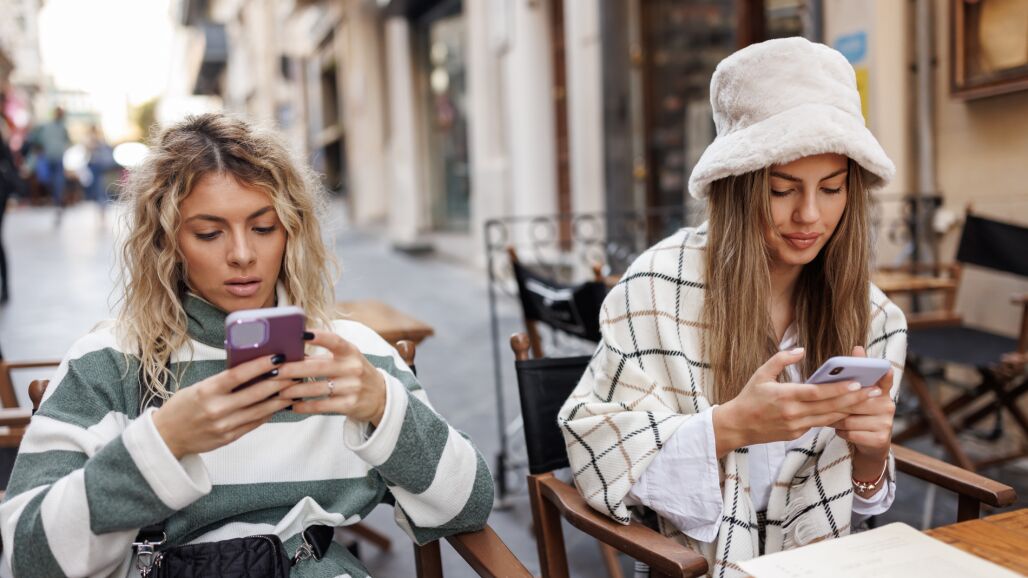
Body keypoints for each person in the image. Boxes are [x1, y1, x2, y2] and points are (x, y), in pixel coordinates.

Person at [0, 113, 493, 577]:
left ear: (291, 230)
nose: (242, 254)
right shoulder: (110, 361)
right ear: (167, 241)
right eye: (209, 233)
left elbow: (467, 506)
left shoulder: (350, 356)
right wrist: (163, 443)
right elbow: (28, 558)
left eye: (263, 227)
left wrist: (382, 407)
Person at [558, 37, 907, 577]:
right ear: (739, 188)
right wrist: (728, 427)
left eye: (832, 188)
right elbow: (596, 452)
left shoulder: (874, 317)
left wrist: (871, 456)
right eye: (781, 190)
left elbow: (854, 508)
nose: (809, 215)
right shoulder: (656, 289)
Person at [34, 107, 70, 222]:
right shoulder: (48, 126)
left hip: (55, 158)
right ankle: (56, 201)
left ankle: (56, 202)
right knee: (51, 181)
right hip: (50, 157)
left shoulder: (57, 127)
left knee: (56, 182)